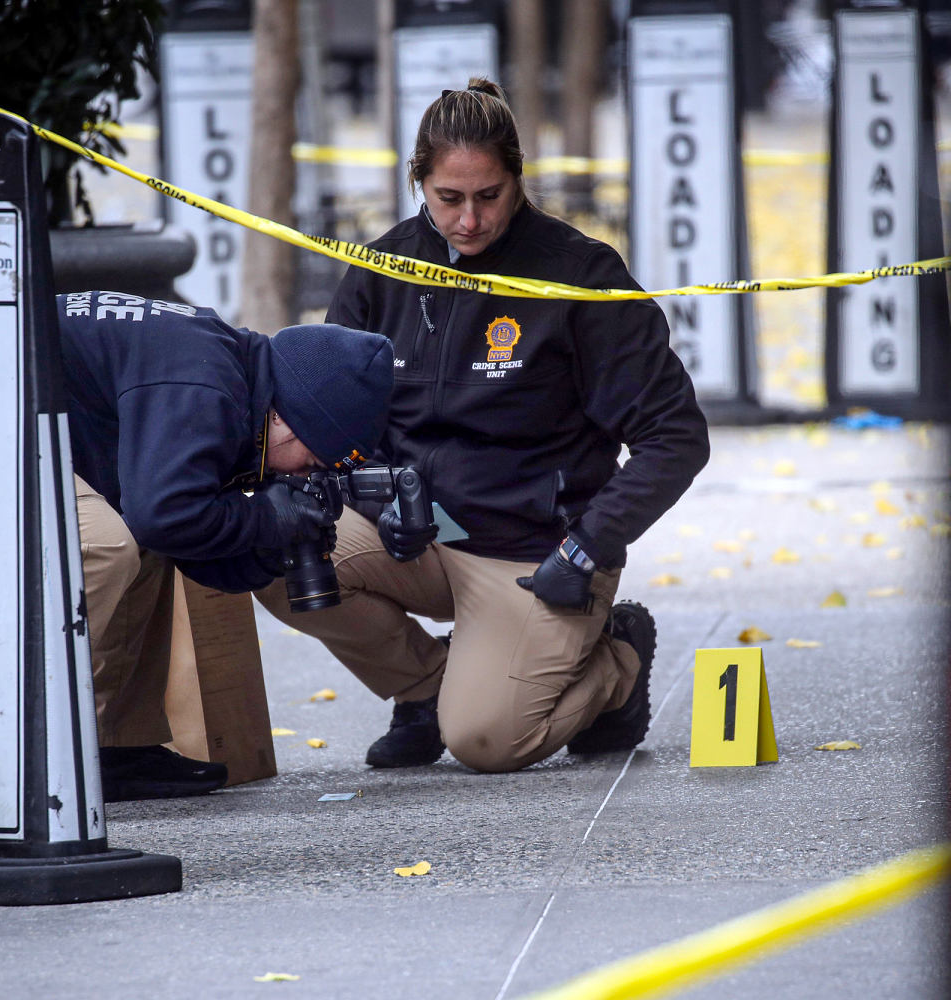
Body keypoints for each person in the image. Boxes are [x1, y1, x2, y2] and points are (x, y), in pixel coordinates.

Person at [256, 79, 709, 774]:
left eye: (489, 196)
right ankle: (425, 689)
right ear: (419, 183)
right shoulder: (380, 271)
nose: (469, 221)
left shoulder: (580, 276)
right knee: (267, 547)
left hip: (536, 551)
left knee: (487, 743)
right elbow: (325, 419)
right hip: (408, 532)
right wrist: (370, 490)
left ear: (518, 180)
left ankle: (615, 661)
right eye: (449, 199)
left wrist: (588, 548)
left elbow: (676, 438)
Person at [0, 291, 394, 819]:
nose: (305, 476)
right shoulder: (205, 383)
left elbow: (185, 541)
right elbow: (165, 514)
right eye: (313, 461)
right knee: (95, 545)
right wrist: (267, 517)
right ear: (285, 415)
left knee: (135, 538)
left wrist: (276, 544)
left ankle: (110, 748)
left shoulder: (231, 380)